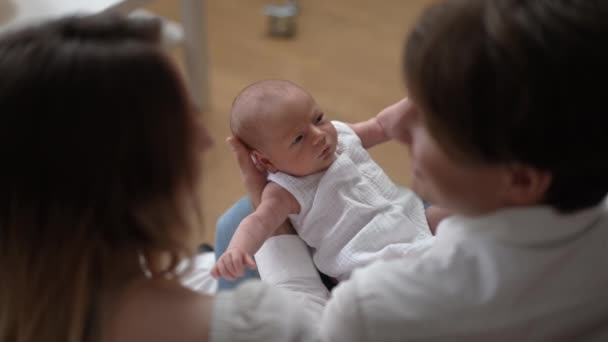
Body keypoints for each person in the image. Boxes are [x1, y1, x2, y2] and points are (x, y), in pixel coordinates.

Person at [211, 0, 608, 340]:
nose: (398, 127)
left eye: (432, 121)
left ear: (521, 179)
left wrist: (275, 232)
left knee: (235, 224)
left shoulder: (374, 306)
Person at [0, 13, 216, 341]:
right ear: (136, 177)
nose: (207, 141)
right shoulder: (236, 325)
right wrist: (281, 243)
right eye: (186, 125)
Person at [211, 80, 433, 282]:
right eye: (299, 138)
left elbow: (382, 125)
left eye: (318, 119)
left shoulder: (341, 135)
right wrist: (237, 249)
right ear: (266, 161)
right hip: (369, 263)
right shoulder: (285, 190)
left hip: (412, 220)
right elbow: (258, 221)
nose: (318, 134)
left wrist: (422, 98)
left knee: (448, 217)